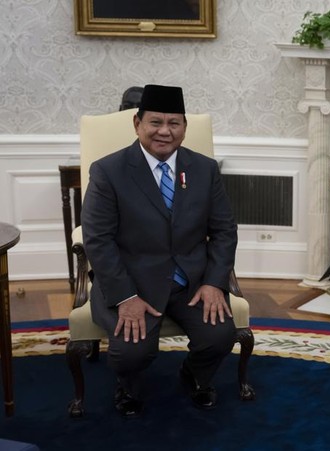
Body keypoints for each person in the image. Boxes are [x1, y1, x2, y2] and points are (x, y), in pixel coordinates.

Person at [81, 84, 238, 417]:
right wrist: (125, 297)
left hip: (190, 282)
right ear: (137, 124)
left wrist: (214, 282)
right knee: (130, 354)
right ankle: (129, 386)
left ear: (184, 128)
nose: (164, 132)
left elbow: (224, 230)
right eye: (155, 122)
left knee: (220, 336)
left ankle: (194, 375)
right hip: (132, 284)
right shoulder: (108, 171)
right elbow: (98, 239)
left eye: (174, 123)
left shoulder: (205, 169)